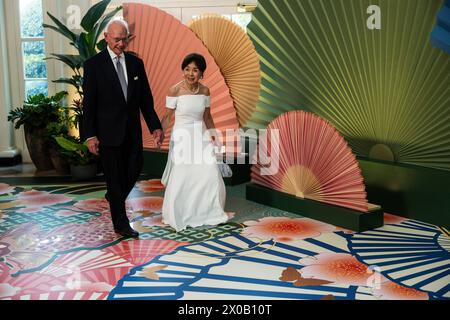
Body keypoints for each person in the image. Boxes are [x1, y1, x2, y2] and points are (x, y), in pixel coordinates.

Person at [82, 17, 163, 238]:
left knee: (135, 167)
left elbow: (145, 100)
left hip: (132, 132)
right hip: (108, 134)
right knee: (114, 178)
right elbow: (88, 104)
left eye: (124, 39)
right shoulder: (93, 66)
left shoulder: (136, 64)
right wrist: (90, 135)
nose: (120, 44)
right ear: (106, 37)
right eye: (117, 39)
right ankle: (121, 223)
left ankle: (114, 196)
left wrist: (155, 126)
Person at [160, 53, 229, 232]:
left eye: (195, 70)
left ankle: (209, 212)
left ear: (201, 73)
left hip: (201, 134)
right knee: (183, 175)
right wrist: (160, 133)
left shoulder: (205, 90)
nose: (190, 74)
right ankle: (180, 212)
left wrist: (214, 136)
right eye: (187, 69)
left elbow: (207, 116)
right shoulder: (174, 90)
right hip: (182, 135)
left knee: (210, 172)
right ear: (183, 71)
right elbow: (167, 116)